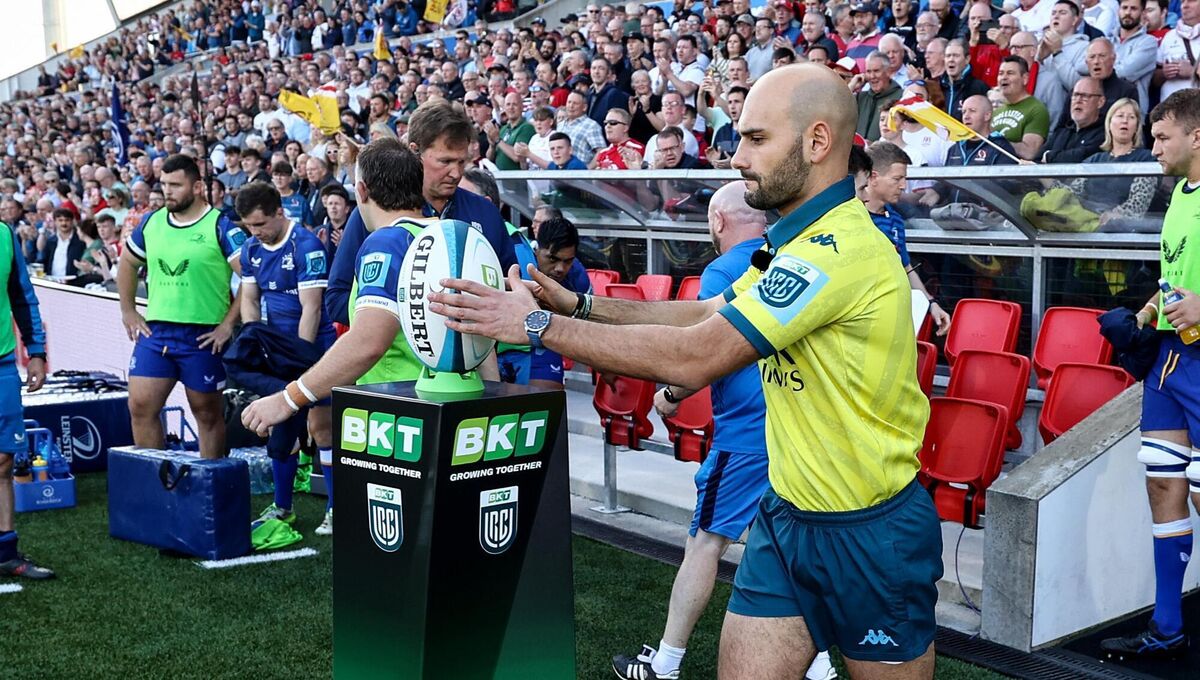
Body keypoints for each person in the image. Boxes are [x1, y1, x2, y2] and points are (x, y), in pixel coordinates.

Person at [429, 64, 942, 679]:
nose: (736, 157)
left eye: (755, 139)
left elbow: (698, 354)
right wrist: (581, 305)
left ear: (817, 142)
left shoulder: (841, 251)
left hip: (871, 530)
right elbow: (705, 310)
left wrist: (536, 328)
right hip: (786, 517)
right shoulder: (797, 242)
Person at [612, 181, 838, 680]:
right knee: (775, 549)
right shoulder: (798, 258)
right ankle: (820, 668)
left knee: (705, 542)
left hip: (746, 436)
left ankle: (666, 664)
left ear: (717, 222)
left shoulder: (724, 269)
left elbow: (707, 349)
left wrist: (670, 396)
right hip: (796, 429)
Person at [241, 139, 497, 436]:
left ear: (361, 190)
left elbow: (368, 341)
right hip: (465, 406)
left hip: (401, 413)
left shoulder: (387, 242)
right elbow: (483, 335)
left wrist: (288, 399)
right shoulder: (456, 236)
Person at [1100, 88, 1200, 661]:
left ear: (1196, 137)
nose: (1153, 146)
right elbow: (1174, 277)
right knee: (1163, 483)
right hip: (1170, 358)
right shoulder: (1179, 196)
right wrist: (1142, 316)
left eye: (1162, 137)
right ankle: (1167, 627)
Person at [323, 99, 518, 326]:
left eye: (462, 162)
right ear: (415, 151)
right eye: (445, 161)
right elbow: (337, 299)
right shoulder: (375, 211)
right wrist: (412, 323)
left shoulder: (485, 212)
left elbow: (512, 288)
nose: (456, 173)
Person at [118, 154, 245, 460]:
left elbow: (252, 278)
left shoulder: (221, 225)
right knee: (140, 407)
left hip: (202, 335)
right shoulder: (151, 222)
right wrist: (128, 311)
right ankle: (155, 487)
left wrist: (228, 324)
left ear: (198, 186)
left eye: (175, 185)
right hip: (157, 330)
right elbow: (127, 263)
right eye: (163, 185)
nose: (167, 191)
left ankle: (210, 487)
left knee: (207, 414)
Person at [235, 182, 336, 534]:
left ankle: (336, 509)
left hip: (313, 350)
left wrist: (297, 363)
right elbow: (249, 298)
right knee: (279, 431)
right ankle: (282, 507)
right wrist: (253, 338)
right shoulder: (251, 249)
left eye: (260, 224)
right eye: (249, 225)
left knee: (322, 428)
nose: (255, 232)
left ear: (280, 212)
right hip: (277, 351)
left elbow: (312, 309)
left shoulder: (306, 246)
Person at [0, 214, 50, 580]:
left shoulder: (4, 234)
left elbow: (21, 295)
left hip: (2, 364)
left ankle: (5, 552)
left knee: (3, 461)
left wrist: (36, 351)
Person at [862, 143, 952, 335]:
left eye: (905, 178)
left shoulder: (895, 219)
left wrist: (931, 304)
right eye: (897, 179)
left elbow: (905, 267)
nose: (903, 185)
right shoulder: (849, 214)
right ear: (874, 177)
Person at [1053, 97, 1157, 229]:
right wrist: (1044, 178)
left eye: (1131, 117)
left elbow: (1138, 204)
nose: (1124, 121)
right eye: (1120, 116)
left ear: (1136, 127)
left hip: (1124, 232)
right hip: (1087, 228)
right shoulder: (1093, 160)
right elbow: (1071, 196)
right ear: (1109, 124)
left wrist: (1113, 215)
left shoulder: (1146, 160)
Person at [1035, 77, 1107, 163]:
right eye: (1075, 95)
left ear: (1100, 102)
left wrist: (1048, 156)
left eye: (1085, 96)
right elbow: (1037, 159)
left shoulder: (1105, 133)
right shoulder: (1062, 131)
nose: (1078, 101)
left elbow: (1081, 157)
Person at [991, 56, 1051, 160]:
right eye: (1000, 73)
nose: (1004, 77)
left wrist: (997, 142)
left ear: (1025, 79)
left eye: (1010, 73)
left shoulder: (1036, 109)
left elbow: (1029, 152)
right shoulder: (995, 111)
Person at [38, 208, 86, 278]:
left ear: (72, 221)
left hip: (72, 282)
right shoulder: (51, 241)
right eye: (60, 220)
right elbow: (44, 260)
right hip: (52, 280)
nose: (64, 223)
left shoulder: (80, 241)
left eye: (67, 220)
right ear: (55, 222)